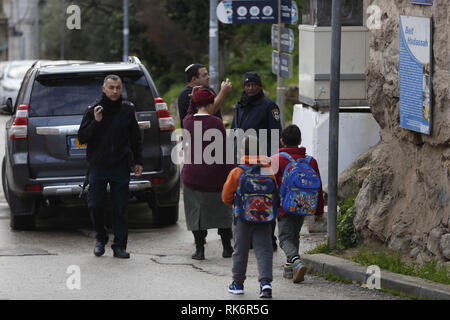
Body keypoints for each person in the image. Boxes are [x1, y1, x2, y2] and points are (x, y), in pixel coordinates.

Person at [78, 74, 143, 259]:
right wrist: (96, 122)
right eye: (111, 88)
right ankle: (101, 238)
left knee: (120, 207)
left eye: (118, 88)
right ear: (103, 89)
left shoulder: (127, 109)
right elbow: (82, 137)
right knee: (95, 205)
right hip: (98, 166)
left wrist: (138, 161)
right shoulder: (93, 110)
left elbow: (135, 138)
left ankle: (120, 246)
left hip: (120, 165)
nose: (115, 91)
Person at [231, 71, 282, 251]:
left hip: (263, 162)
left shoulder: (269, 106)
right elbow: (234, 131)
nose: (250, 88)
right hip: (243, 162)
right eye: (247, 85)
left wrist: (270, 159)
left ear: (259, 86)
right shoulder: (240, 105)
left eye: (254, 85)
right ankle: (250, 237)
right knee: (246, 198)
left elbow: (276, 135)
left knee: (265, 197)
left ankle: (269, 237)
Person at [181, 88, 233, 260]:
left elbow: (190, 111)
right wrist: (231, 175)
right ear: (212, 104)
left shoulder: (187, 121)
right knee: (223, 212)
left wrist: (193, 99)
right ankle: (227, 248)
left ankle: (200, 250)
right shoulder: (217, 123)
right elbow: (225, 153)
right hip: (215, 177)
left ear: (195, 104)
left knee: (195, 213)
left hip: (192, 177)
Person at [222, 136, 276, 299]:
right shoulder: (268, 170)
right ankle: (265, 283)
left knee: (240, 250)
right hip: (264, 217)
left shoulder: (237, 172)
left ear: (241, 151)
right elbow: (275, 192)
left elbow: (226, 197)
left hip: (242, 218)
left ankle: (238, 283)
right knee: (264, 249)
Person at [270, 124, 324, 282]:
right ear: (300, 140)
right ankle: (289, 270)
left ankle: (296, 262)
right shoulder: (310, 161)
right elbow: (318, 187)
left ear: (282, 141)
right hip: (304, 205)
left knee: (285, 239)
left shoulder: (276, 160)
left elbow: (269, 185)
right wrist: (319, 211)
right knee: (294, 236)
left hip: (284, 207)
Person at [177, 63, 232, 128]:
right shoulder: (185, 94)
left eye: (207, 74)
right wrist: (223, 92)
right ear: (194, 79)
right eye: (204, 75)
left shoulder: (208, 90)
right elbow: (207, 113)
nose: (208, 77)